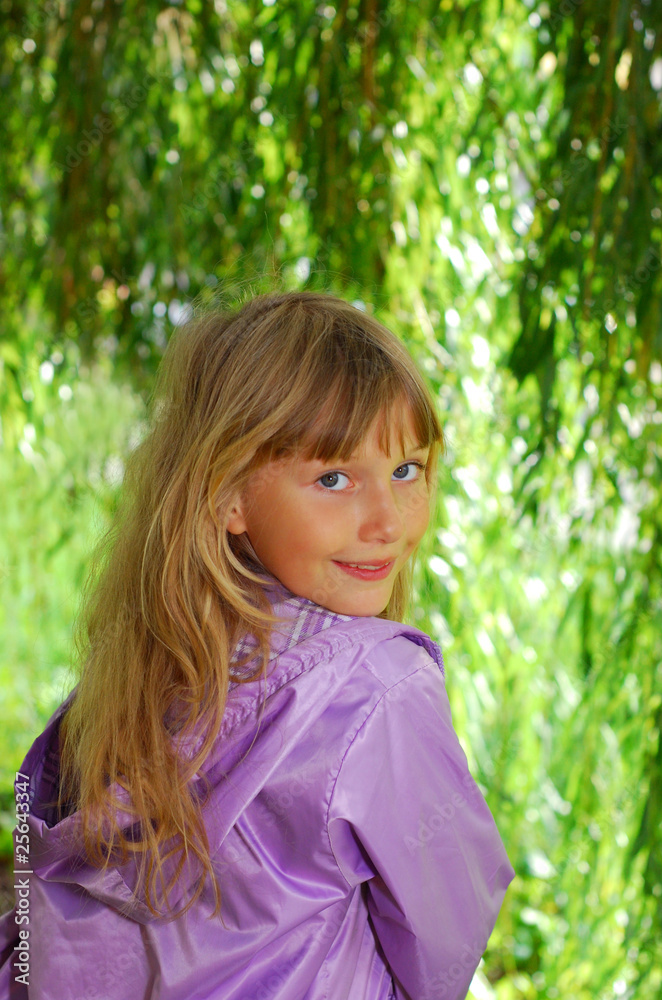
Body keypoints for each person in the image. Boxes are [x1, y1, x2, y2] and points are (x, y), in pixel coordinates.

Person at [0, 291, 514, 1000]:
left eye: (407, 470)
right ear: (227, 496)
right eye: (333, 478)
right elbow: (447, 931)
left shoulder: (138, 674)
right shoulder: (379, 690)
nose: (389, 522)